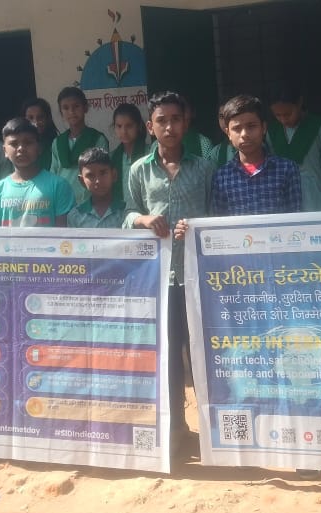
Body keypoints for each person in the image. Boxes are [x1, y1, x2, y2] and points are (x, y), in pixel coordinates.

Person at [124, 91, 215, 458]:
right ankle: (177, 428)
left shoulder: (204, 167)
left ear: (186, 122)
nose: (169, 127)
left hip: (198, 278)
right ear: (150, 127)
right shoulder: (138, 170)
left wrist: (196, 227)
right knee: (169, 358)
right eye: (162, 120)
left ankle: (212, 433)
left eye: (175, 119)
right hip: (161, 280)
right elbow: (128, 214)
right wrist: (144, 219)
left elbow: (215, 214)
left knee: (202, 356)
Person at [208, 94, 302, 216]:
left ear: (264, 128)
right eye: (237, 128)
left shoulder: (286, 169)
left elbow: (295, 218)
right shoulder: (221, 177)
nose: (244, 134)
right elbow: (218, 222)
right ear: (228, 133)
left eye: (251, 126)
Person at [0, 118, 76, 227]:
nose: (21, 148)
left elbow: (64, 233)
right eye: (14, 144)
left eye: (28, 143)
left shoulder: (58, 186)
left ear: (39, 148)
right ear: (5, 151)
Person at [266, 85, 321, 211]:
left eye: (288, 114)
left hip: (315, 198)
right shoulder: (272, 132)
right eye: (278, 115)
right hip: (283, 199)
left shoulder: (320, 126)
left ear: (299, 103)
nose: (283, 120)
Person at [51, 87, 109, 205]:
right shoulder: (58, 142)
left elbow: (103, 172)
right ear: (61, 112)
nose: (71, 112)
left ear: (85, 107)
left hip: (89, 202)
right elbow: (53, 173)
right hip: (63, 201)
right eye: (66, 108)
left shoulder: (97, 139)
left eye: (76, 106)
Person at [66, 147, 126, 229]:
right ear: (82, 181)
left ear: (114, 175)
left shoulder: (125, 212)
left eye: (103, 173)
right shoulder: (76, 215)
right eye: (90, 175)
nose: (98, 181)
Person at [109, 103, 148, 204]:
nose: (124, 131)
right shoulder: (112, 157)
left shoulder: (149, 153)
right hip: (120, 211)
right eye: (119, 126)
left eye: (129, 126)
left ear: (138, 126)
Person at [22, 97, 60, 172]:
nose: (35, 122)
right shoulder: (20, 146)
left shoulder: (57, 144)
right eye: (30, 118)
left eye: (40, 117)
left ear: (48, 119)